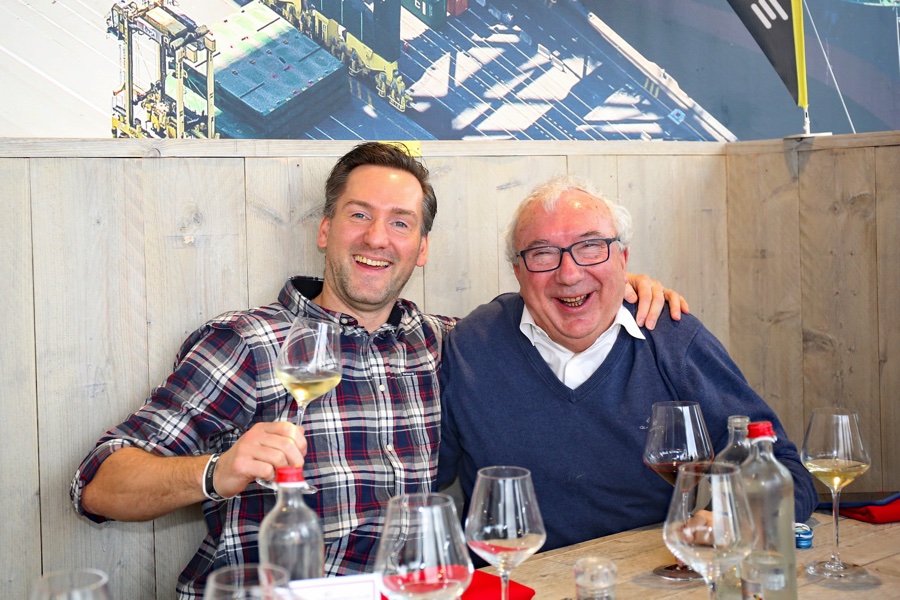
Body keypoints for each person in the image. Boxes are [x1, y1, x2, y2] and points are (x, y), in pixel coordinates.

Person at [70, 143, 684, 598]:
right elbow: (97, 481)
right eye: (359, 215)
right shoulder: (248, 341)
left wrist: (616, 286)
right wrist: (216, 471)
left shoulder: (455, 344)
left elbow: (559, 308)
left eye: (400, 222)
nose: (377, 238)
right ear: (326, 230)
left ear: (422, 248)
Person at [436, 175, 818, 556]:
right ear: (518, 271)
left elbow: (782, 471)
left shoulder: (671, 338)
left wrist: (732, 519)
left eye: (591, 247)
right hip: (513, 578)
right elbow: (422, 478)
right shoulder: (472, 346)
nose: (569, 274)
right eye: (543, 254)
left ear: (623, 259)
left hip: (649, 574)